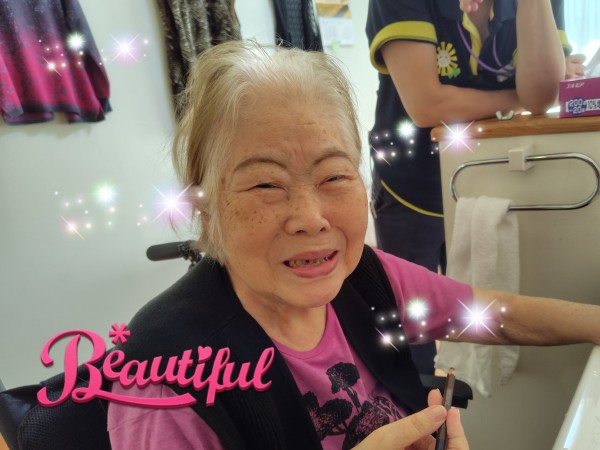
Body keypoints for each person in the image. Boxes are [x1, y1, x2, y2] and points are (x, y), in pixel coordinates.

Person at [106, 41, 600, 450]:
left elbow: (495, 314)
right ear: (205, 209)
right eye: (266, 184)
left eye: (334, 176)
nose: (310, 219)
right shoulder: (164, 384)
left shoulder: (363, 277)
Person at [365, 0, 583, 375]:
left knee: (483, 308)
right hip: (411, 187)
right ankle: (413, 395)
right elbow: (427, 104)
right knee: (409, 320)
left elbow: (542, 94)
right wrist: (517, 98)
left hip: (494, 180)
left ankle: (476, 397)